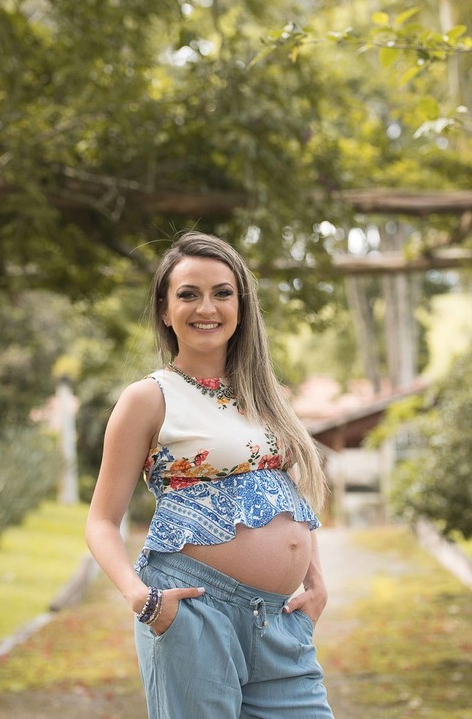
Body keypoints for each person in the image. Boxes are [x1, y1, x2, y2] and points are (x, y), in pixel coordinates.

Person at [86, 231, 334, 719]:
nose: (207, 307)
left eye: (222, 293)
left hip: (278, 620)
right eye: (188, 294)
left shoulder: (268, 395)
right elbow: (100, 521)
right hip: (194, 609)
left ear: (241, 306)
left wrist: (316, 579)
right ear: (164, 309)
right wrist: (144, 600)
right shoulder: (148, 398)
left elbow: (290, 495)